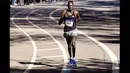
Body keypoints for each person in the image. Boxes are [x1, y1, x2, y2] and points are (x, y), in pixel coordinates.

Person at [59, 0, 80, 66]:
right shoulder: (64, 12)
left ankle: (74, 58)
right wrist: (62, 18)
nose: (70, 6)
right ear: (67, 6)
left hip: (73, 30)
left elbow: (78, 18)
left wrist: (76, 21)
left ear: (73, 6)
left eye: (71, 5)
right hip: (67, 31)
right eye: (69, 5)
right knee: (69, 45)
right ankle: (71, 58)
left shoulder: (75, 12)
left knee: (73, 44)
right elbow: (59, 23)